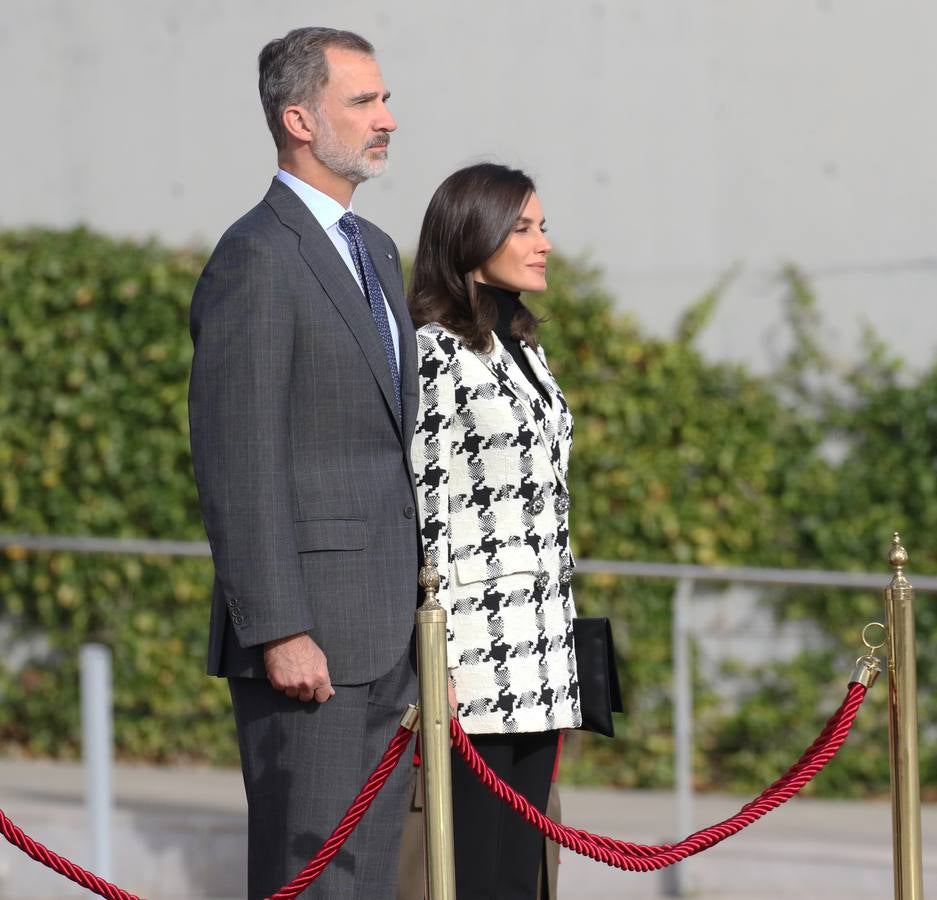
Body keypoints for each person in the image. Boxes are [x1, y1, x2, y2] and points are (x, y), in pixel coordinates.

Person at [188, 27, 420, 900]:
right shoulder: (256, 256)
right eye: (363, 102)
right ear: (297, 117)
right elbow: (235, 454)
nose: (387, 118)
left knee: (363, 881)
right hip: (309, 641)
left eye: (384, 98)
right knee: (311, 878)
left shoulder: (378, 252)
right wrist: (279, 627)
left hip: (385, 633)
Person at [409, 163, 581, 899]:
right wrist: (432, 649)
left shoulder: (524, 346)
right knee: (477, 870)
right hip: (474, 651)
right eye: (522, 228)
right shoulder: (433, 351)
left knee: (523, 872)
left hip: (542, 640)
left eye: (541, 226)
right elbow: (426, 504)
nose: (542, 242)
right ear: (471, 236)